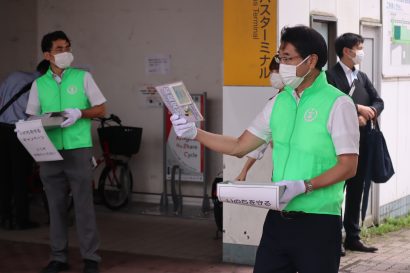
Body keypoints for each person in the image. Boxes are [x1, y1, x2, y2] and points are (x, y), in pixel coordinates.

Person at [171, 25, 360, 273]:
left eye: (287, 58)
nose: (282, 65)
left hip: (319, 222)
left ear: (311, 60)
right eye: (279, 58)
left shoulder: (338, 103)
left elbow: (349, 166)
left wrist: (305, 186)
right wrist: (195, 132)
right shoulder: (279, 102)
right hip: (278, 220)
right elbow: (239, 146)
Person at [26, 31, 106, 273]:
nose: (66, 53)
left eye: (68, 47)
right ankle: (58, 257)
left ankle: (91, 258)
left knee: (84, 205)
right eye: (60, 49)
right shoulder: (39, 84)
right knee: (55, 206)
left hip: (78, 149)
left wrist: (80, 113)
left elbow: (101, 109)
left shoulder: (83, 77)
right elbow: (32, 116)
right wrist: (41, 123)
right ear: (47, 55)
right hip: (49, 153)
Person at [326, 33, 384, 255]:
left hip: (363, 141)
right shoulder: (330, 76)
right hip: (339, 144)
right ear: (346, 51)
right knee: (336, 192)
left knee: (357, 189)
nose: (361, 51)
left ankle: (353, 236)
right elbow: (334, 100)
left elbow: (378, 101)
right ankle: (334, 239)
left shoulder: (362, 77)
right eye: (358, 47)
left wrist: (369, 115)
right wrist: (358, 108)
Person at [0, 60, 49, 230]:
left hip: (1, 129)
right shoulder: (41, 86)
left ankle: (4, 217)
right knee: (20, 177)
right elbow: (34, 114)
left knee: (4, 176)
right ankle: (21, 220)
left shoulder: (14, 75)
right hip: (20, 131)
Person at [235, 58, 282, 181]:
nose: (273, 75)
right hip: (280, 169)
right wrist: (244, 171)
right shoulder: (273, 102)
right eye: (272, 71)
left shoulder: (300, 99)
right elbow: (260, 141)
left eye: (277, 70)